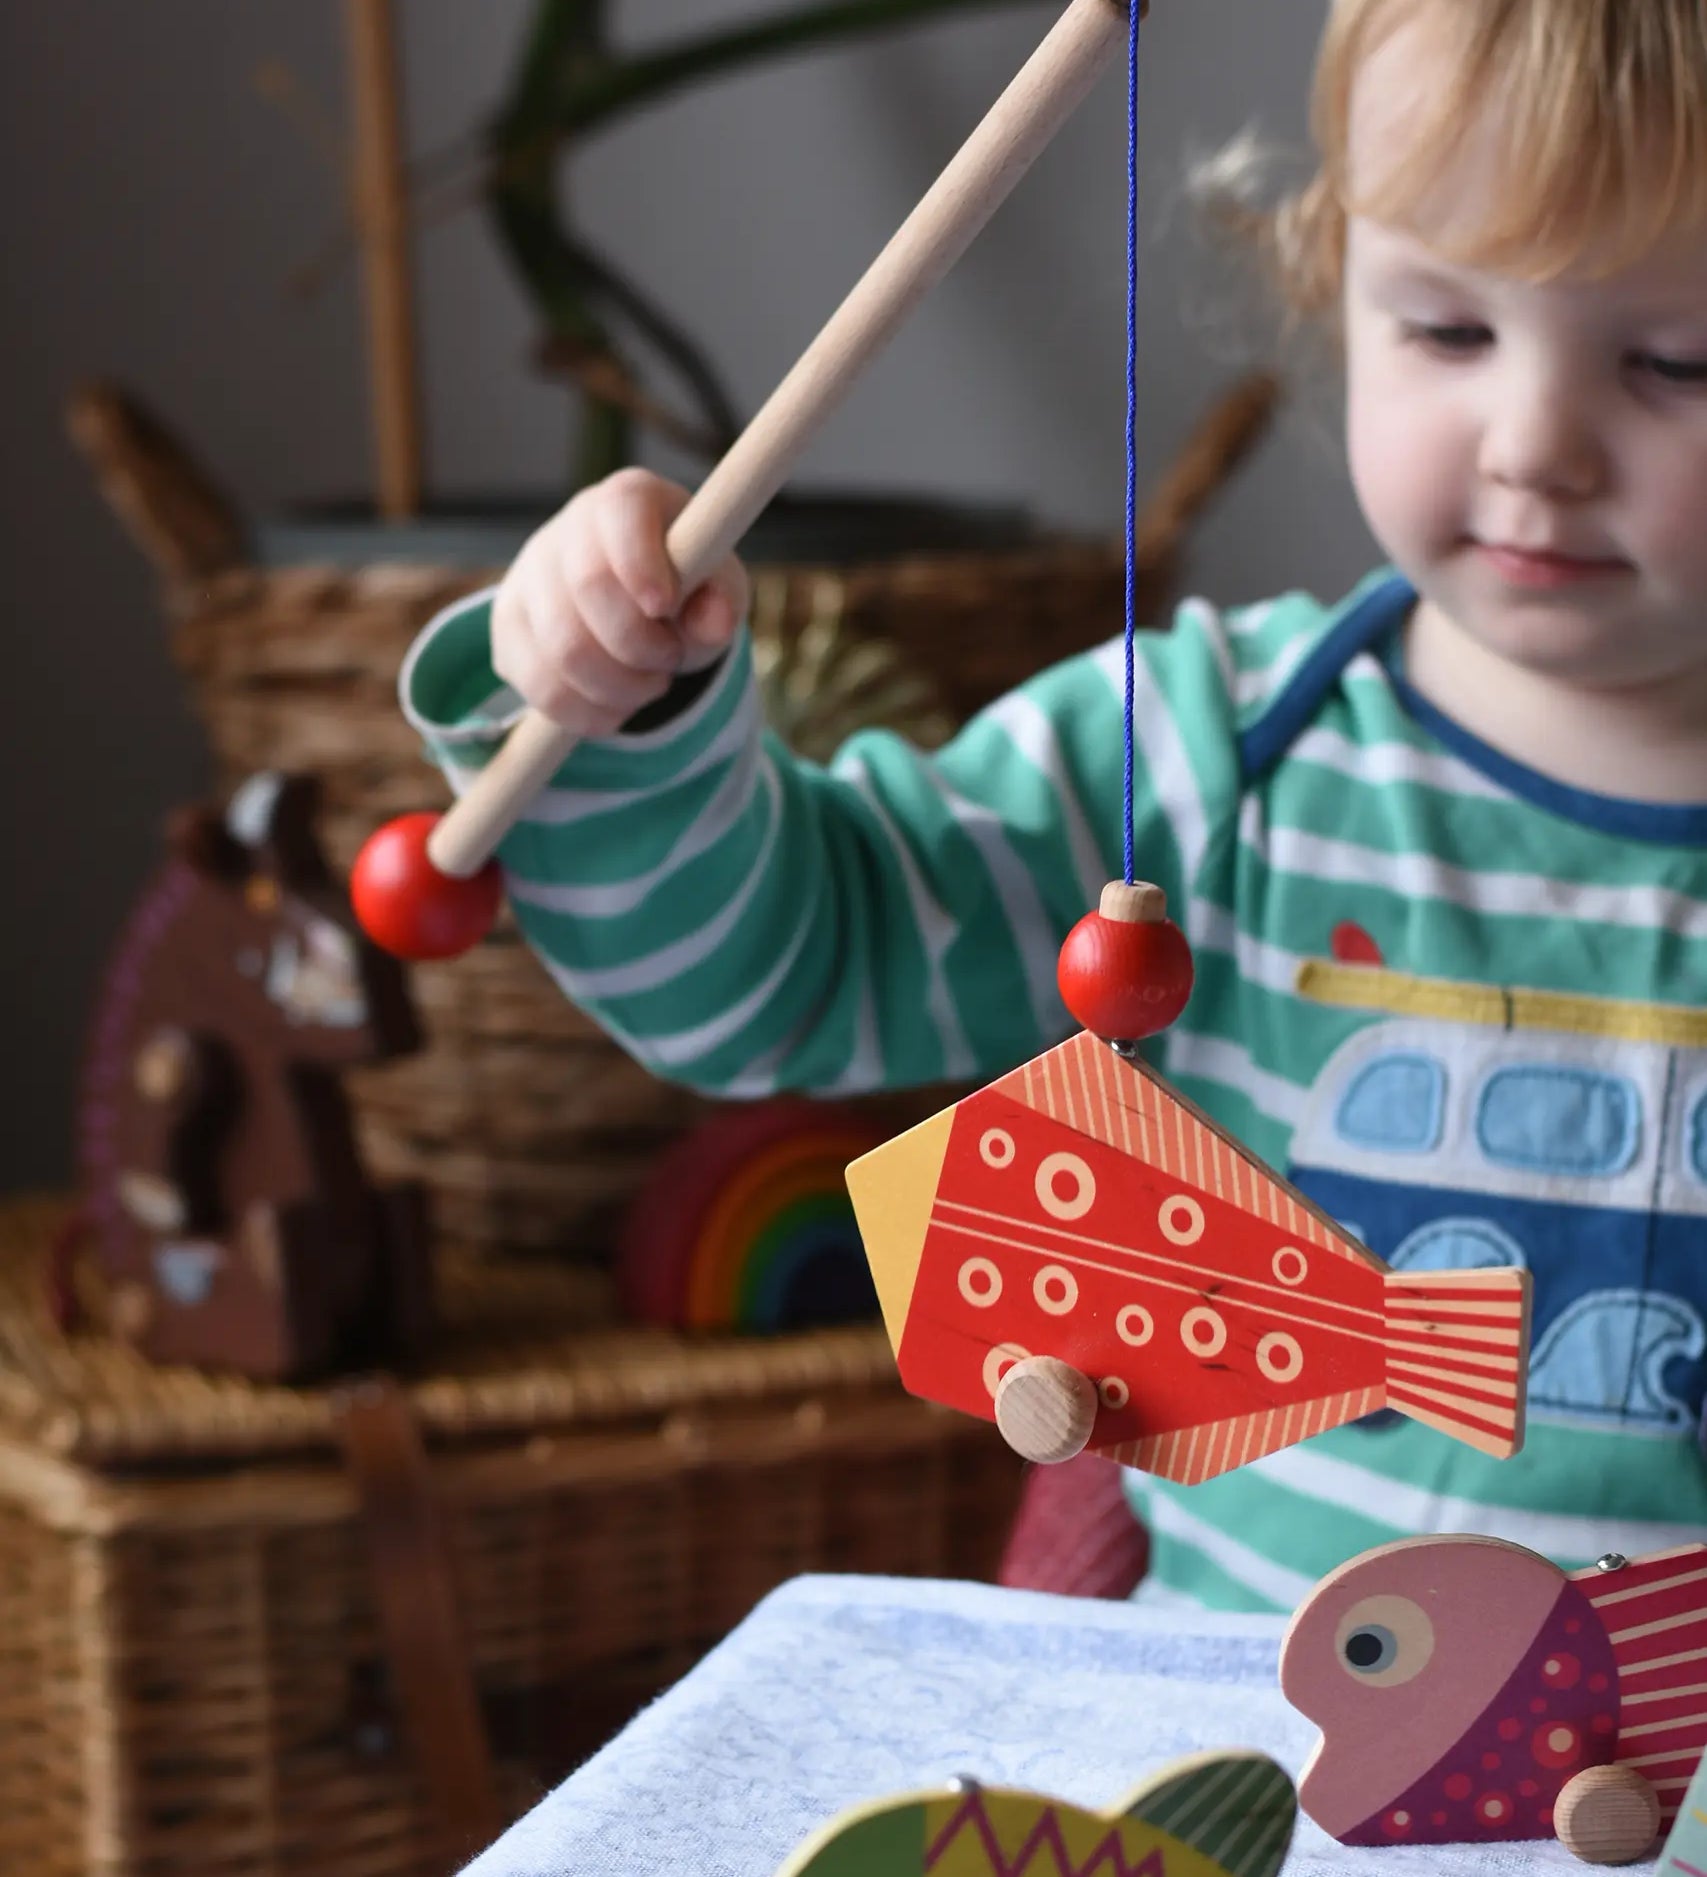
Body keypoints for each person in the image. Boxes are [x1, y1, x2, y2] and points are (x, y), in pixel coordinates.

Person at [400, 0, 1707, 1612]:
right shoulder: (1209, 749)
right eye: (1445, 331)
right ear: (1331, 276)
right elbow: (782, 975)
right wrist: (631, 715)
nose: (1536, 446)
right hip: (1260, 1779)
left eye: (1675, 362)